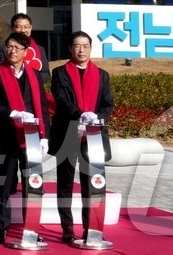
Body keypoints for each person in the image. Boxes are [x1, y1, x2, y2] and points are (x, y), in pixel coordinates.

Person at [50, 30, 114, 245]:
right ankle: (67, 228)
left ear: (90, 48)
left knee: (93, 183)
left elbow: (108, 104)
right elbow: (60, 100)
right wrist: (81, 114)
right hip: (68, 132)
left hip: (94, 135)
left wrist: (97, 117)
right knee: (65, 183)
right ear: (70, 48)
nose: (81, 50)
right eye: (77, 46)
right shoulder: (60, 73)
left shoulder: (102, 75)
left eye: (85, 46)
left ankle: (92, 228)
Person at [0, 31, 47, 245]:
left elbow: (42, 107)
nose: (12, 51)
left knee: (32, 184)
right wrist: (13, 113)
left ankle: (31, 227)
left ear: (25, 52)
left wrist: (44, 136)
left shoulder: (34, 75)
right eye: (9, 47)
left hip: (30, 138)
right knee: (4, 183)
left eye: (17, 48)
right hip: (6, 137)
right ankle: (1, 228)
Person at [11, 12, 51, 91]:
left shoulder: (40, 49)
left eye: (26, 27)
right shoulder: (4, 49)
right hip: (11, 89)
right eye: (19, 27)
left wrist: (29, 79)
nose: (23, 30)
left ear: (31, 28)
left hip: (35, 90)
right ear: (12, 28)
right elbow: (0, 73)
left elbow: (46, 74)